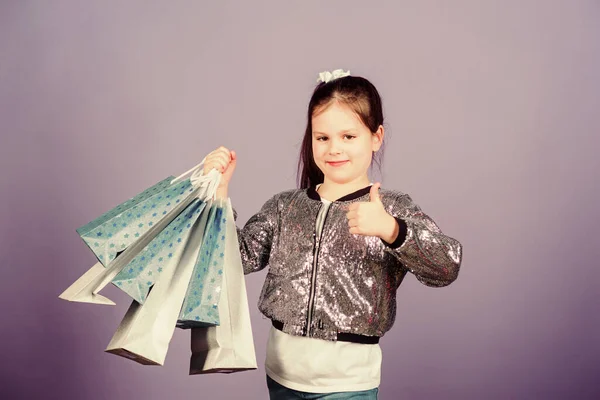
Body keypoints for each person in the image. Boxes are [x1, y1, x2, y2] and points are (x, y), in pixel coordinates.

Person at [202, 69, 463, 399]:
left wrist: (391, 230)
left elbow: (446, 267)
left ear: (376, 137)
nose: (334, 148)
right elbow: (234, 257)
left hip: (348, 385)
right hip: (281, 378)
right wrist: (219, 194)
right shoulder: (285, 206)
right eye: (322, 137)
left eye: (348, 137)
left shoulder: (391, 208)